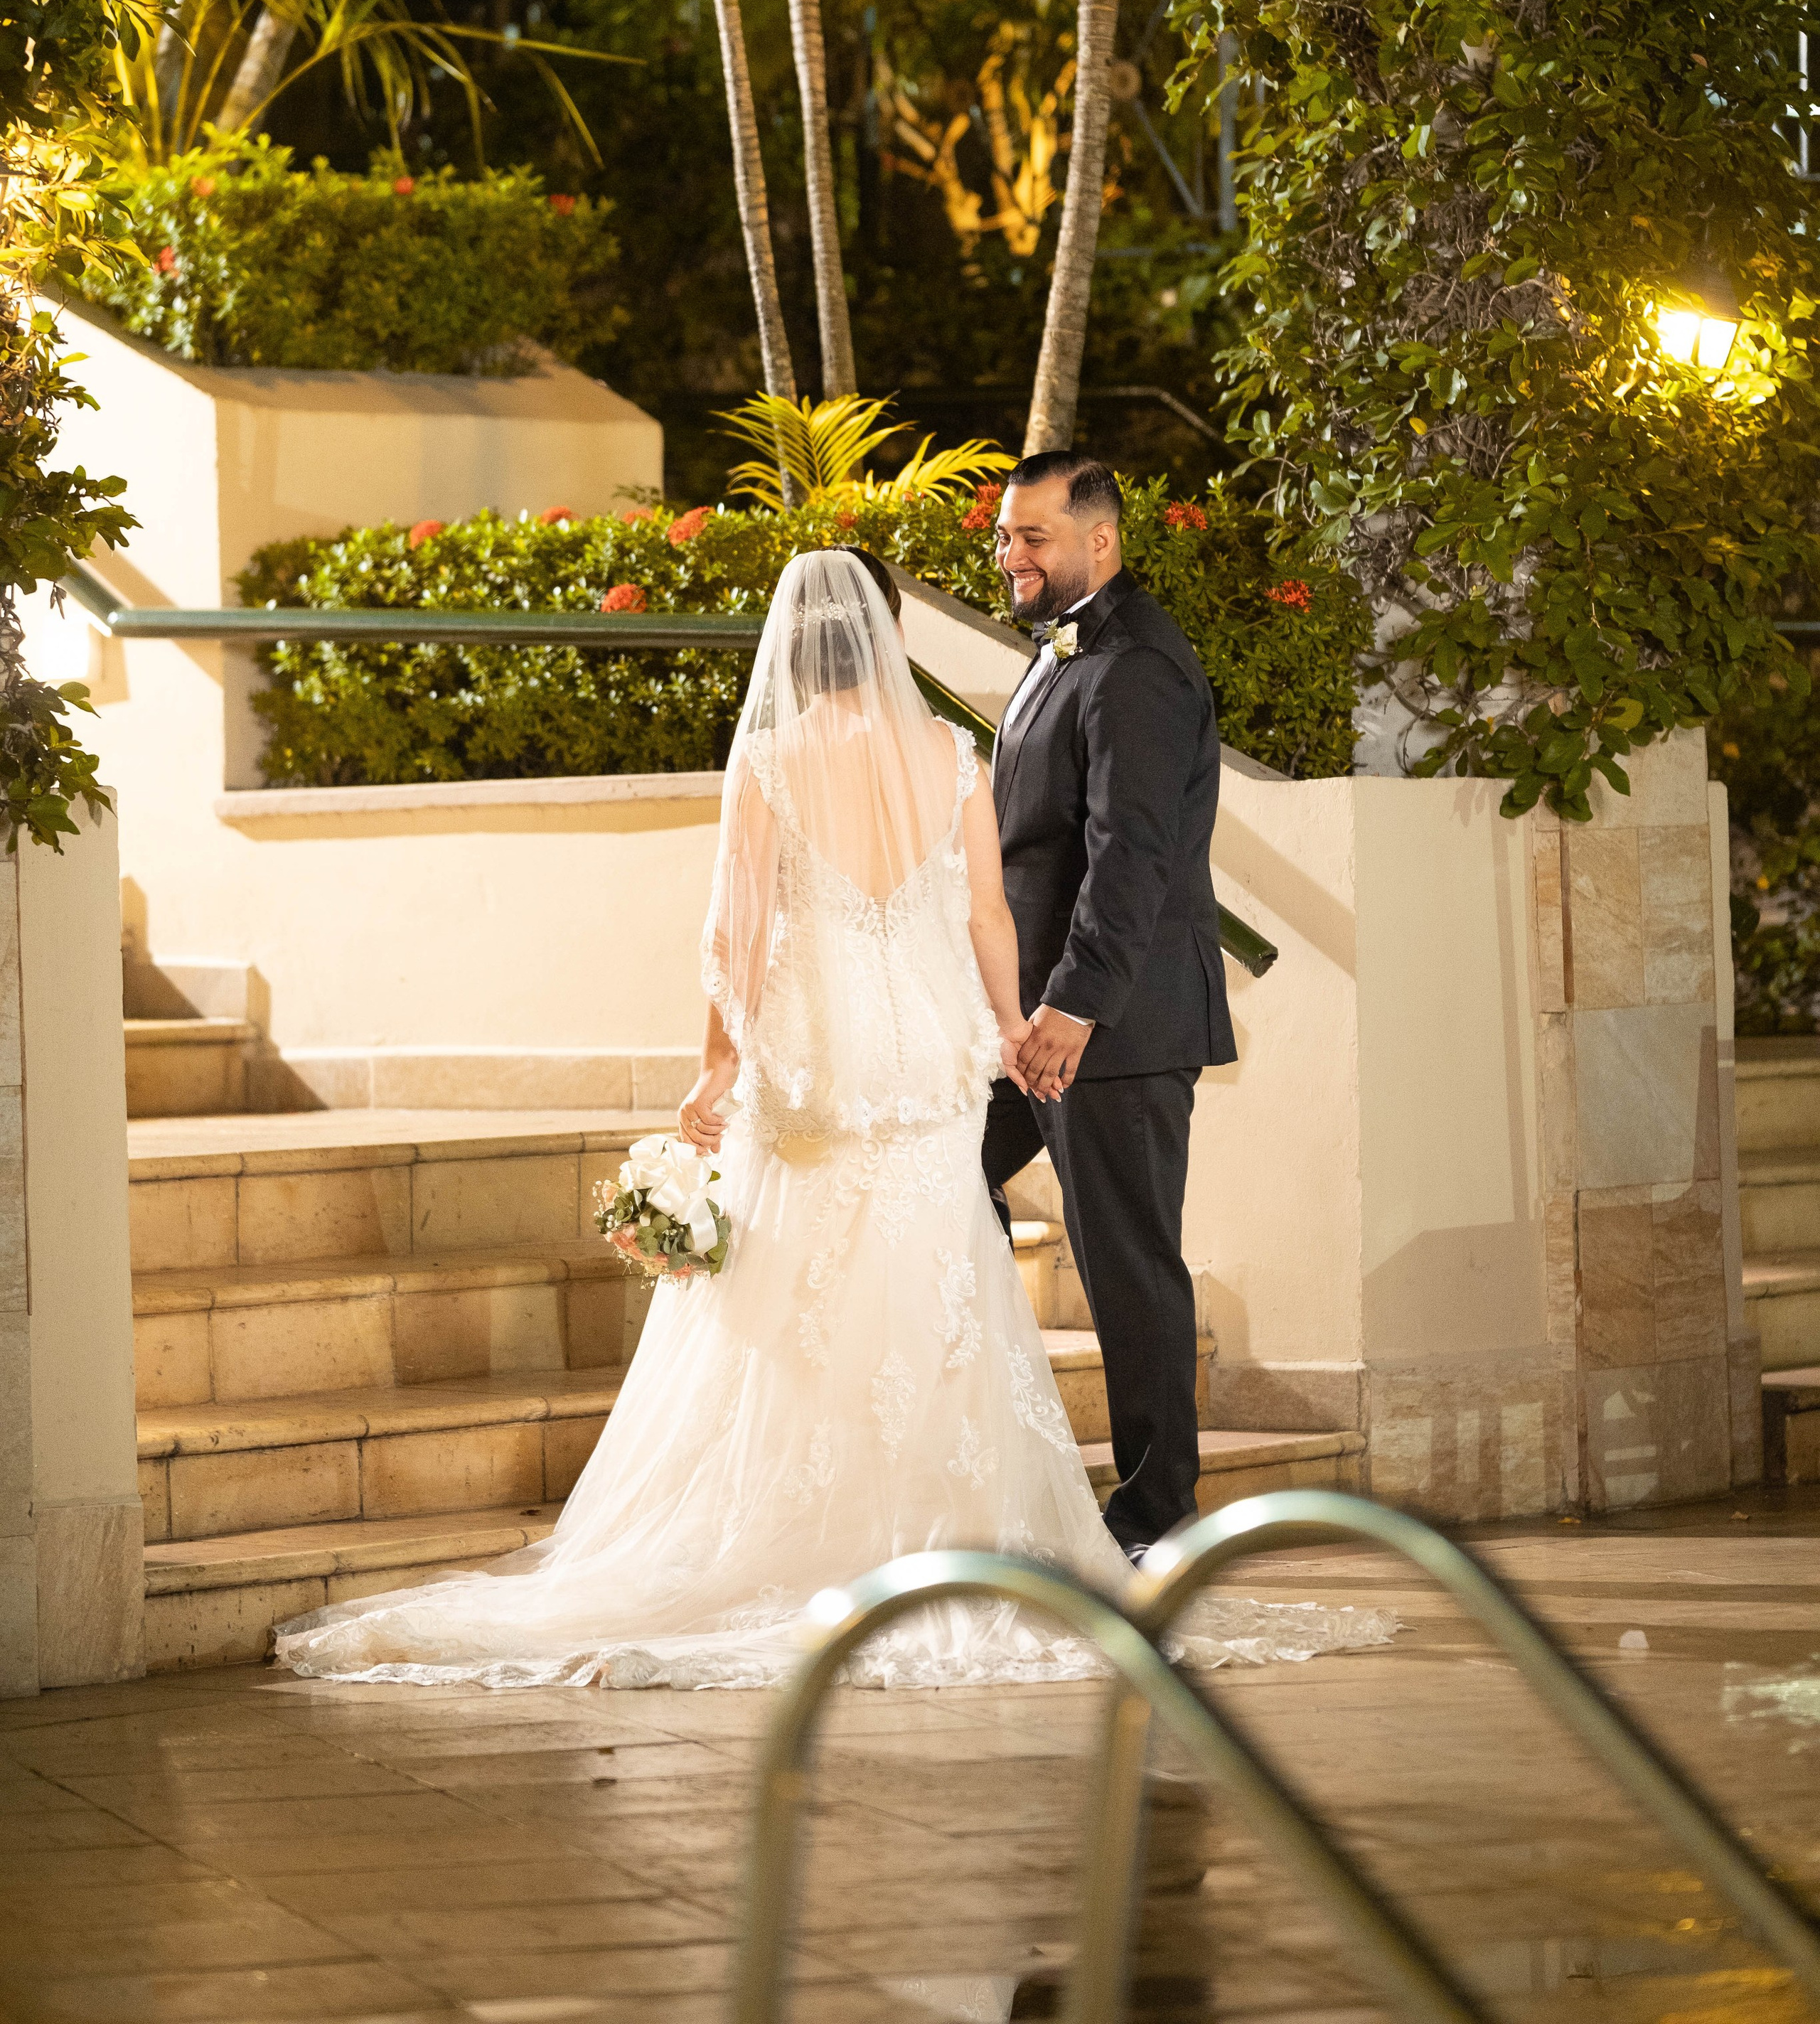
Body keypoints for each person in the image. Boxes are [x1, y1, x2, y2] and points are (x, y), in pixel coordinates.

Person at [274, 547, 1378, 1690]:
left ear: (793, 649)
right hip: (930, 1057)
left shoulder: (771, 758)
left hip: (819, 1055)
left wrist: (713, 1072)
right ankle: (955, 1534)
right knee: (934, 1270)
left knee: (794, 1284)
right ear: (892, 635)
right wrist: (1008, 1027)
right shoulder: (947, 751)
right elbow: (991, 916)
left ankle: (798, 1530)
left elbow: (737, 939)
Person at [985, 454, 1234, 1562]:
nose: (1013, 556)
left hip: (1107, 1031)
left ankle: (1155, 1516)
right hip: (1025, 1027)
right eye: (1005, 536)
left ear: (1101, 540)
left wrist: (1074, 1009)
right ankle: (986, 1443)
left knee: (1129, 1264)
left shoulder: (1136, 663)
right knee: (936, 1175)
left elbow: (1130, 855)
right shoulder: (1059, 654)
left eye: (1035, 536)